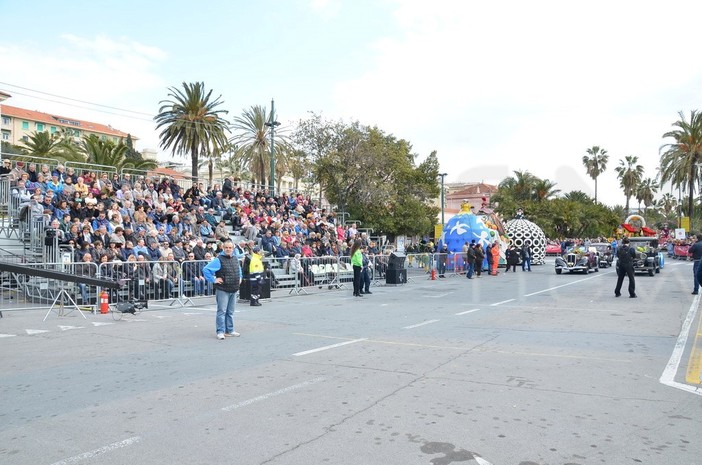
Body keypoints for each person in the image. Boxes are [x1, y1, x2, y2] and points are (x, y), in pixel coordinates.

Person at [203, 240, 242, 340]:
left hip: (233, 288)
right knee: (222, 311)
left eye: (230, 248)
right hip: (223, 289)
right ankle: (220, 331)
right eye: (226, 248)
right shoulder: (218, 259)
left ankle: (230, 330)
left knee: (230, 311)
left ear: (233, 249)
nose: (228, 249)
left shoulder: (235, 258)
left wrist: (240, 277)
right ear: (223, 248)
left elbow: (239, 269)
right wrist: (213, 279)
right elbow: (206, 269)